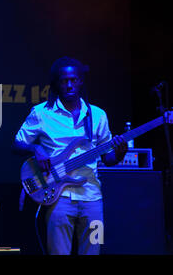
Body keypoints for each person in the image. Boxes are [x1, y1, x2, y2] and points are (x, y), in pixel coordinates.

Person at [14, 57, 128, 255]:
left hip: (93, 198)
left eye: (73, 80)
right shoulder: (41, 113)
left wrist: (119, 153)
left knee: (94, 250)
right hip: (58, 198)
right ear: (57, 83)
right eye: (64, 80)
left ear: (81, 81)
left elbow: (107, 159)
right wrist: (35, 149)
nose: (69, 85)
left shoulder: (98, 115)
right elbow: (17, 143)